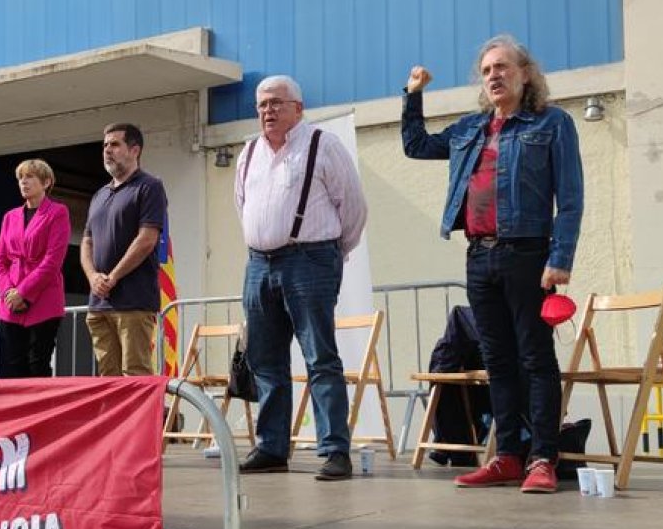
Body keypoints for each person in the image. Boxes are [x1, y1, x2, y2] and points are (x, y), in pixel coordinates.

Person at [401, 34, 583, 493]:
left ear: (525, 73)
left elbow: (572, 199)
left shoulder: (552, 123)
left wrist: (560, 258)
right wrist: (413, 94)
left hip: (528, 255)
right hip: (479, 256)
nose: (494, 76)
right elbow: (417, 146)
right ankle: (506, 456)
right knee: (497, 359)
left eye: (502, 67)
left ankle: (541, 457)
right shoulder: (469, 129)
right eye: (486, 70)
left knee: (535, 357)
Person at [235, 75, 368, 481]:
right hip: (259, 263)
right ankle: (273, 447)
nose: (267, 111)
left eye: (276, 103)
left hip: (309, 259)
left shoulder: (322, 144)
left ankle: (334, 450)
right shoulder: (249, 152)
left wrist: (330, 254)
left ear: (298, 107)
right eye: (261, 105)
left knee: (320, 357)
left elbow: (354, 208)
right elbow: (242, 205)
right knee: (264, 360)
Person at [81, 123, 168, 377]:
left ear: (134, 150)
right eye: (105, 145)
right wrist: (93, 277)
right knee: (108, 380)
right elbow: (87, 241)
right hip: (99, 305)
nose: (108, 150)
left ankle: (146, 420)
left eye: (115, 144)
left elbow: (147, 239)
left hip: (133, 302)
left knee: (136, 375)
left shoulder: (149, 186)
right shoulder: (99, 195)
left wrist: (113, 277)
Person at [0, 159, 70, 378]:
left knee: (38, 363)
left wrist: (24, 292)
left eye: (30, 177)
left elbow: (53, 260)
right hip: (10, 302)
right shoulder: (10, 217)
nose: (23, 182)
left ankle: (43, 412)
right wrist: (8, 292)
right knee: (14, 365)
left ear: (46, 182)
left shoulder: (58, 212)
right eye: (20, 178)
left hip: (44, 298)